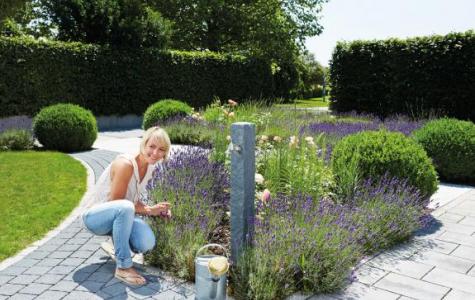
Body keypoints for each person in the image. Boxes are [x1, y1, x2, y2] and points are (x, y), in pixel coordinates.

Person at [82, 126, 172, 286]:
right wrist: (149, 211)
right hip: (94, 218)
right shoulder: (126, 164)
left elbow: (132, 200)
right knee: (125, 208)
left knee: (146, 242)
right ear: (144, 144)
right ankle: (123, 266)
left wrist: (157, 209)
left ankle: (116, 244)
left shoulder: (150, 167)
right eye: (152, 146)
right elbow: (117, 203)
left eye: (161, 149)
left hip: (119, 214)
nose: (156, 153)